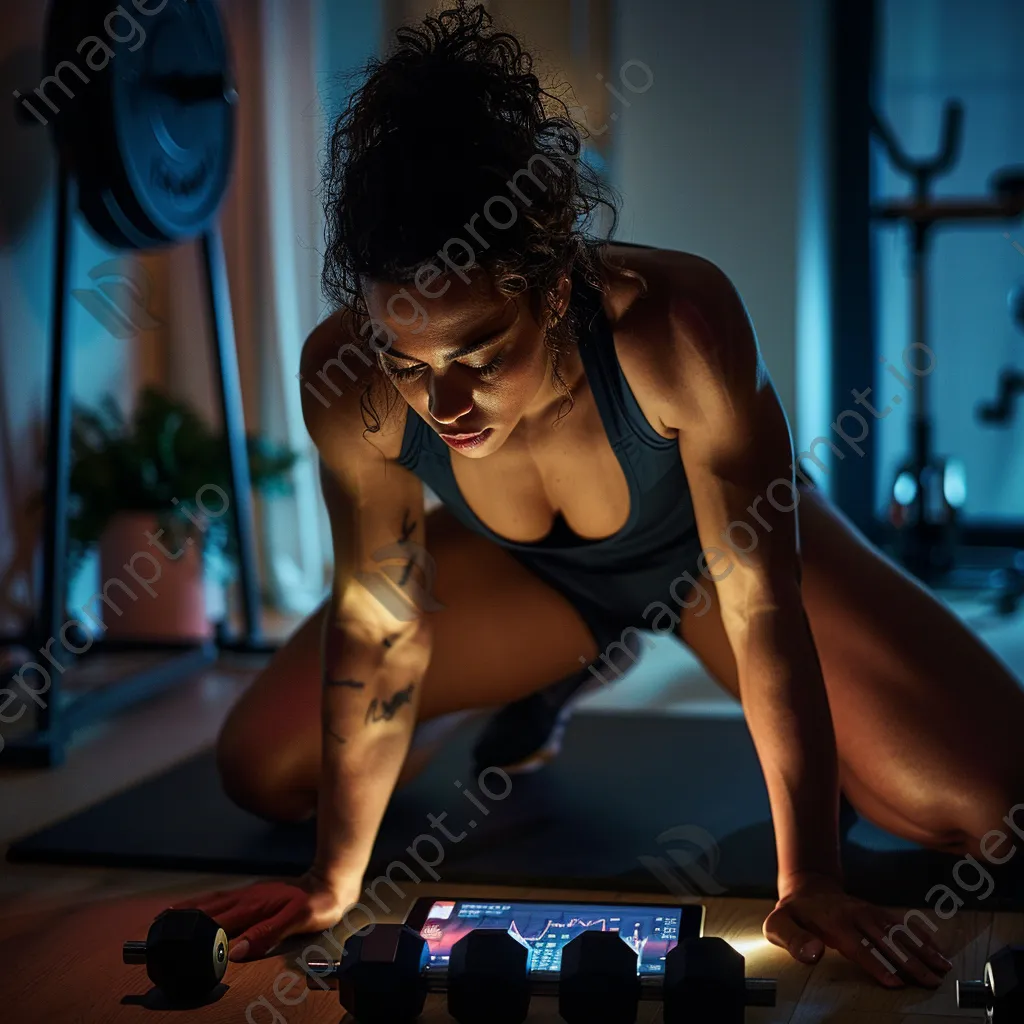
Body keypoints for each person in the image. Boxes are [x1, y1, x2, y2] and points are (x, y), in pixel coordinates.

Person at [179, 0, 1024, 989]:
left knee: (988, 809)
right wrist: (334, 879)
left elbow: (761, 604)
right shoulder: (347, 378)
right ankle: (547, 668)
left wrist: (810, 875)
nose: (443, 402)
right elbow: (380, 622)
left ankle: (608, 658)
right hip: (531, 574)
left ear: (550, 288)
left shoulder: (676, 324)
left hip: (718, 560)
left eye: (480, 355)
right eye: (407, 361)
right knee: (264, 769)